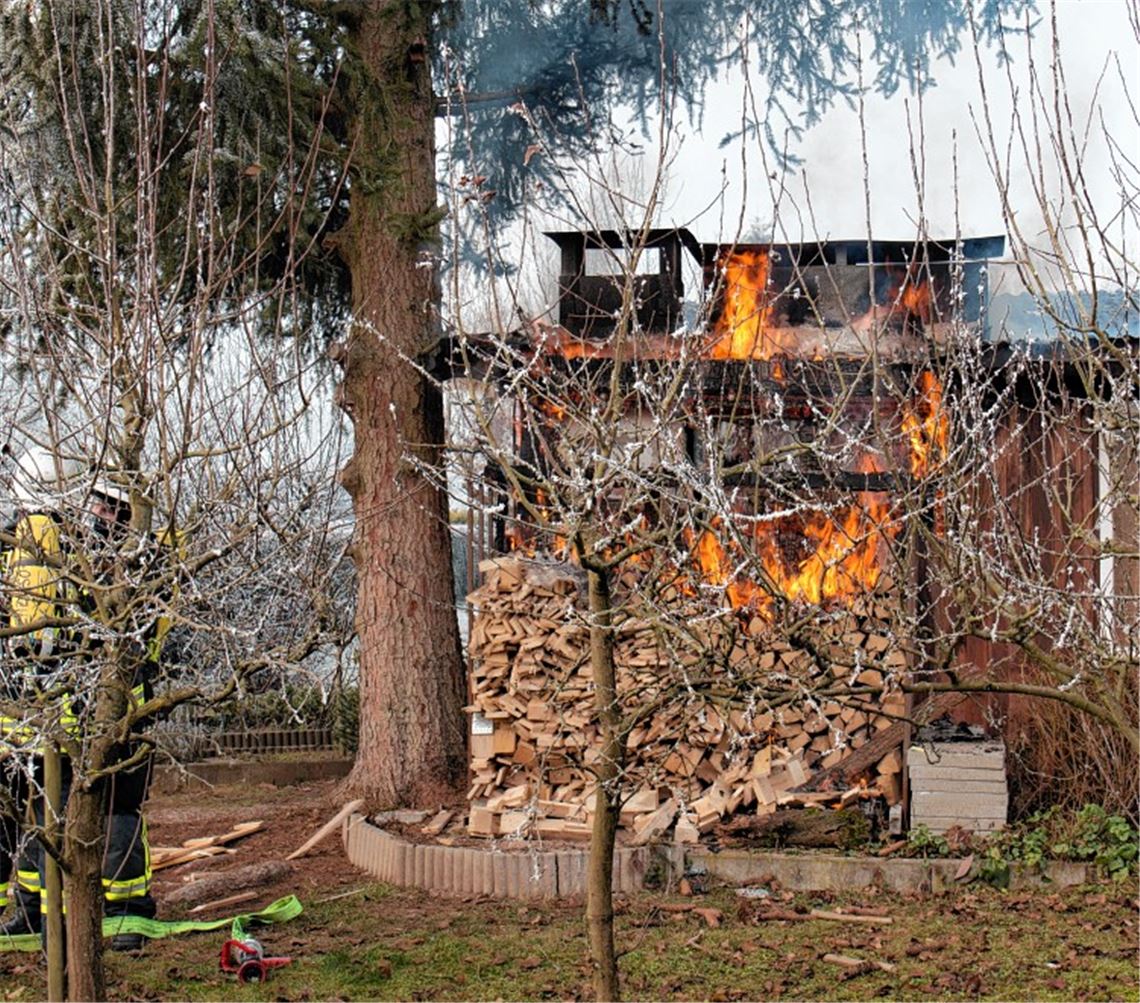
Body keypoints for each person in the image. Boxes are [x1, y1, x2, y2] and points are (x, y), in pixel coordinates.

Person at [0, 449, 162, 952]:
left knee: (107, 812)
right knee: (38, 812)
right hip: (48, 712)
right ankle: (37, 911)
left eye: (112, 507)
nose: (103, 516)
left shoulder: (123, 557)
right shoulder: (42, 550)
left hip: (99, 713)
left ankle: (123, 913)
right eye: (100, 505)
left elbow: (140, 636)